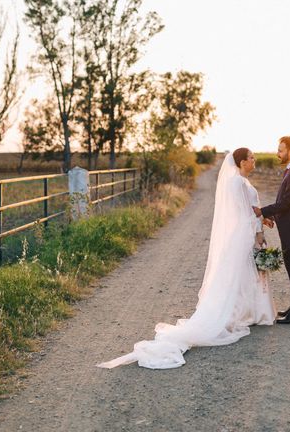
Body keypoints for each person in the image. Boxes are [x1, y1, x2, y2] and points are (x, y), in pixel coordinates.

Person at [96, 149, 275, 369]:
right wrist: (258, 231)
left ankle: (245, 312)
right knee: (241, 274)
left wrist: (261, 218)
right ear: (242, 162)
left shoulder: (238, 182)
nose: (254, 160)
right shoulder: (237, 183)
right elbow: (244, 213)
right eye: (251, 158)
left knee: (239, 276)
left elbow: (248, 212)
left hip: (240, 234)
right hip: (244, 235)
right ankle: (243, 314)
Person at [253, 136, 290, 324]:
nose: (278, 153)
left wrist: (262, 211)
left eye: (281, 150)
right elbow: (287, 203)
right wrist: (271, 218)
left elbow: (287, 203)